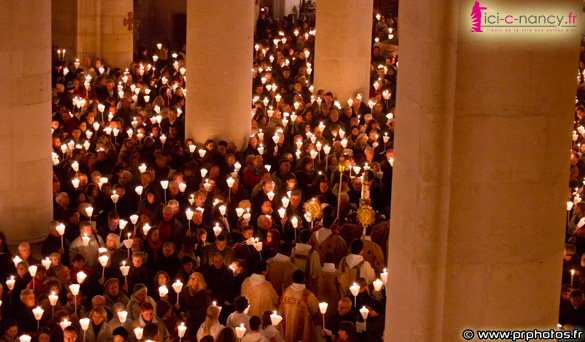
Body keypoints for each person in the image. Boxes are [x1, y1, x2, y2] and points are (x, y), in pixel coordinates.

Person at [279, 270, 320, 342]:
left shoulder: (285, 292)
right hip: (303, 332)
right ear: (304, 279)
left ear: (292, 278)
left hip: (287, 330)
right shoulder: (308, 295)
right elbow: (317, 311)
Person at [179, 272, 211, 342]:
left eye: (194, 279)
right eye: (191, 278)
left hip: (198, 321)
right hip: (186, 320)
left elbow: (205, 309)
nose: (192, 280)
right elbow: (182, 303)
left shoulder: (204, 294)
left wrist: (192, 314)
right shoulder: (185, 291)